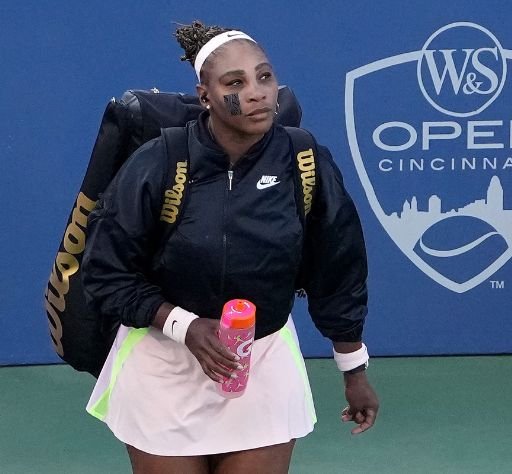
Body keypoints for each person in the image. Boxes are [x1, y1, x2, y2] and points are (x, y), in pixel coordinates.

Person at [81, 20, 379, 474]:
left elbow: (338, 266)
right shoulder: (159, 162)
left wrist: (353, 370)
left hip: (262, 366)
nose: (258, 92)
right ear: (205, 95)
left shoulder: (304, 160)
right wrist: (185, 326)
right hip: (164, 369)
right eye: (235, 82)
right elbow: (105, 273)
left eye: (265, 76)